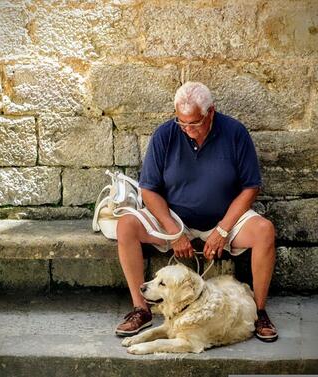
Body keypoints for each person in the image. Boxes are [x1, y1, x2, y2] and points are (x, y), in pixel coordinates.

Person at [114, 82, 278, 343]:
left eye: (195, 123)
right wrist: (173, 231)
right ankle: (141, 309)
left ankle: (259, 312)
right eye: (182, 122)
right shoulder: (165, 135)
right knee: (126, 225)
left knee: (264, 231)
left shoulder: (234, 132)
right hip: (175, 219)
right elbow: (149, 190)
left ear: (210, 112)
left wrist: (223, 230)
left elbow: (250, 187)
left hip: (225, 219)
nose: (188, 129)